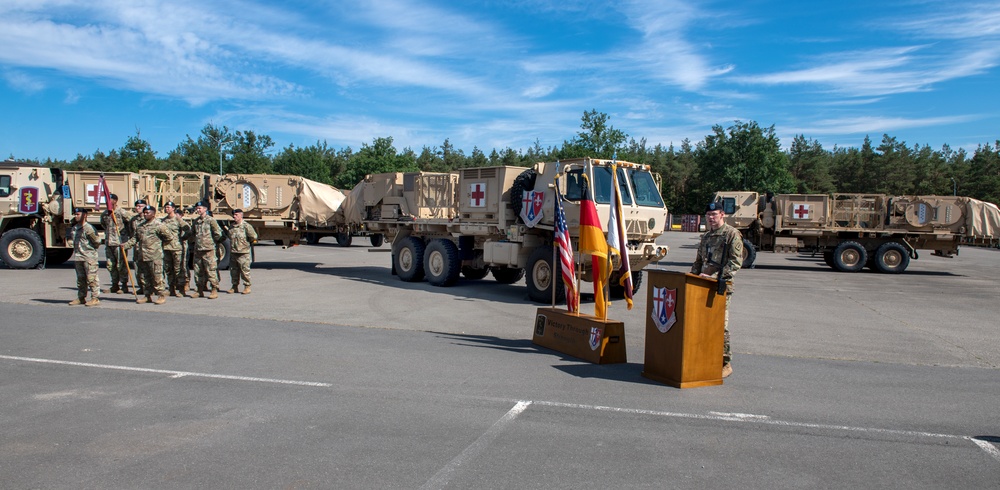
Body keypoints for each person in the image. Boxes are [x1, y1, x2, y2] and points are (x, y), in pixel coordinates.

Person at [691, 200, 744, 378]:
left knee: (720, 325)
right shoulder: (706, 237)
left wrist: (714, 278)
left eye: (714, 215)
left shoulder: (731, 234)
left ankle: (725, 363)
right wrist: (691, 278)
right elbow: (699, 261)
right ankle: (706, 358)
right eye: (708, 215)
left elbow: (735, 262)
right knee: (702, 325)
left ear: (722, 214)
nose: (711, 218)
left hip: (721, 287)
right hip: (701, 287)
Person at [120, 205, 171, 304]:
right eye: (145, 213)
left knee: (157, 277)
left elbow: (168, 237)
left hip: (155, 255)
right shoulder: (141, 226)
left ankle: (161, 295)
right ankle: (147, 295)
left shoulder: (159, 225)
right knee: (145, 277)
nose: (145, 214)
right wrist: (126, 245)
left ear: (153, 214)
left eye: (148, 213)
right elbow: (135, 238)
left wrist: (158, 246)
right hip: (143, 255)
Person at [67, 207, 102, 306]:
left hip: (89, 257)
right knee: (81, 279)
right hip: (78, 256)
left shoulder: (89, 228)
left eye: (78, 214)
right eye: (75, 214)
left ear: (85, 215)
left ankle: (95, 298)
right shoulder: (75, 228)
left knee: (92, 278)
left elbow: (97, 242)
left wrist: (90, 252)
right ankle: (81, 297)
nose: (76, 216)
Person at [190, 201, 224, 299]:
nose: (198, 210)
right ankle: (199, 290)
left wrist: (214, 243)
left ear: (205, 209)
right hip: (198, 249)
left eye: (200, 208)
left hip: (209, 249)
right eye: (197, 208)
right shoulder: (196, 221)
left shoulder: (210, 220)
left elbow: (218, 233)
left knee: (211, 270)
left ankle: (214, 289)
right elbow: (192, 233)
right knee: (198, 270)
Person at [99, 193, 132, 293]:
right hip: (109, 242)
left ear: (115, 201)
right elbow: (104, 225)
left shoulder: (122, 212)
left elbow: (130, 224)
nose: (107, 202)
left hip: (119, 242)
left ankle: (124, 285)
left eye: (109, 200)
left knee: (121, 265)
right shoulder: (105, 213)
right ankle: (114, 284)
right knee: (110, 265)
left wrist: (126, 237)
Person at [160, 201, 191, 297]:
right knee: (169, 269)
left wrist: (183, 238)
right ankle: (171, 288)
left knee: (179, 269)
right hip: (166, 248)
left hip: (176, 248)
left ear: (173, 208)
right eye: (166, 207)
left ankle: (181, 289)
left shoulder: (178, 220)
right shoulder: (163, 220)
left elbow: (188, 230)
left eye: (169, 207)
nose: (167, 209)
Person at [227, 208, 258, 294]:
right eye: (234, 215)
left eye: (236, 215)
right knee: (233, 271)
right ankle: (234, 286)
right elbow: (229, 236)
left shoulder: (246, 226)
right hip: (234, 252)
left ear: (241, 215)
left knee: (245, 271)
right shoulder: (232, 227)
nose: (234, 216)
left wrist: (245, 244)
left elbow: (253, 236)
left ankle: (247, 286)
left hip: (243, 253)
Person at [128, 199, 148, 293]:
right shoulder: (133, 220)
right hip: (137, 248)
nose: (138, 208)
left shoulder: (149, 219)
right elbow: (132, 233)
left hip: (148, 249)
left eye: (140, 206)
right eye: (137, 206)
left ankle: (151, 288)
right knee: (138, 268)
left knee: (149, 269)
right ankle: (142, 286)